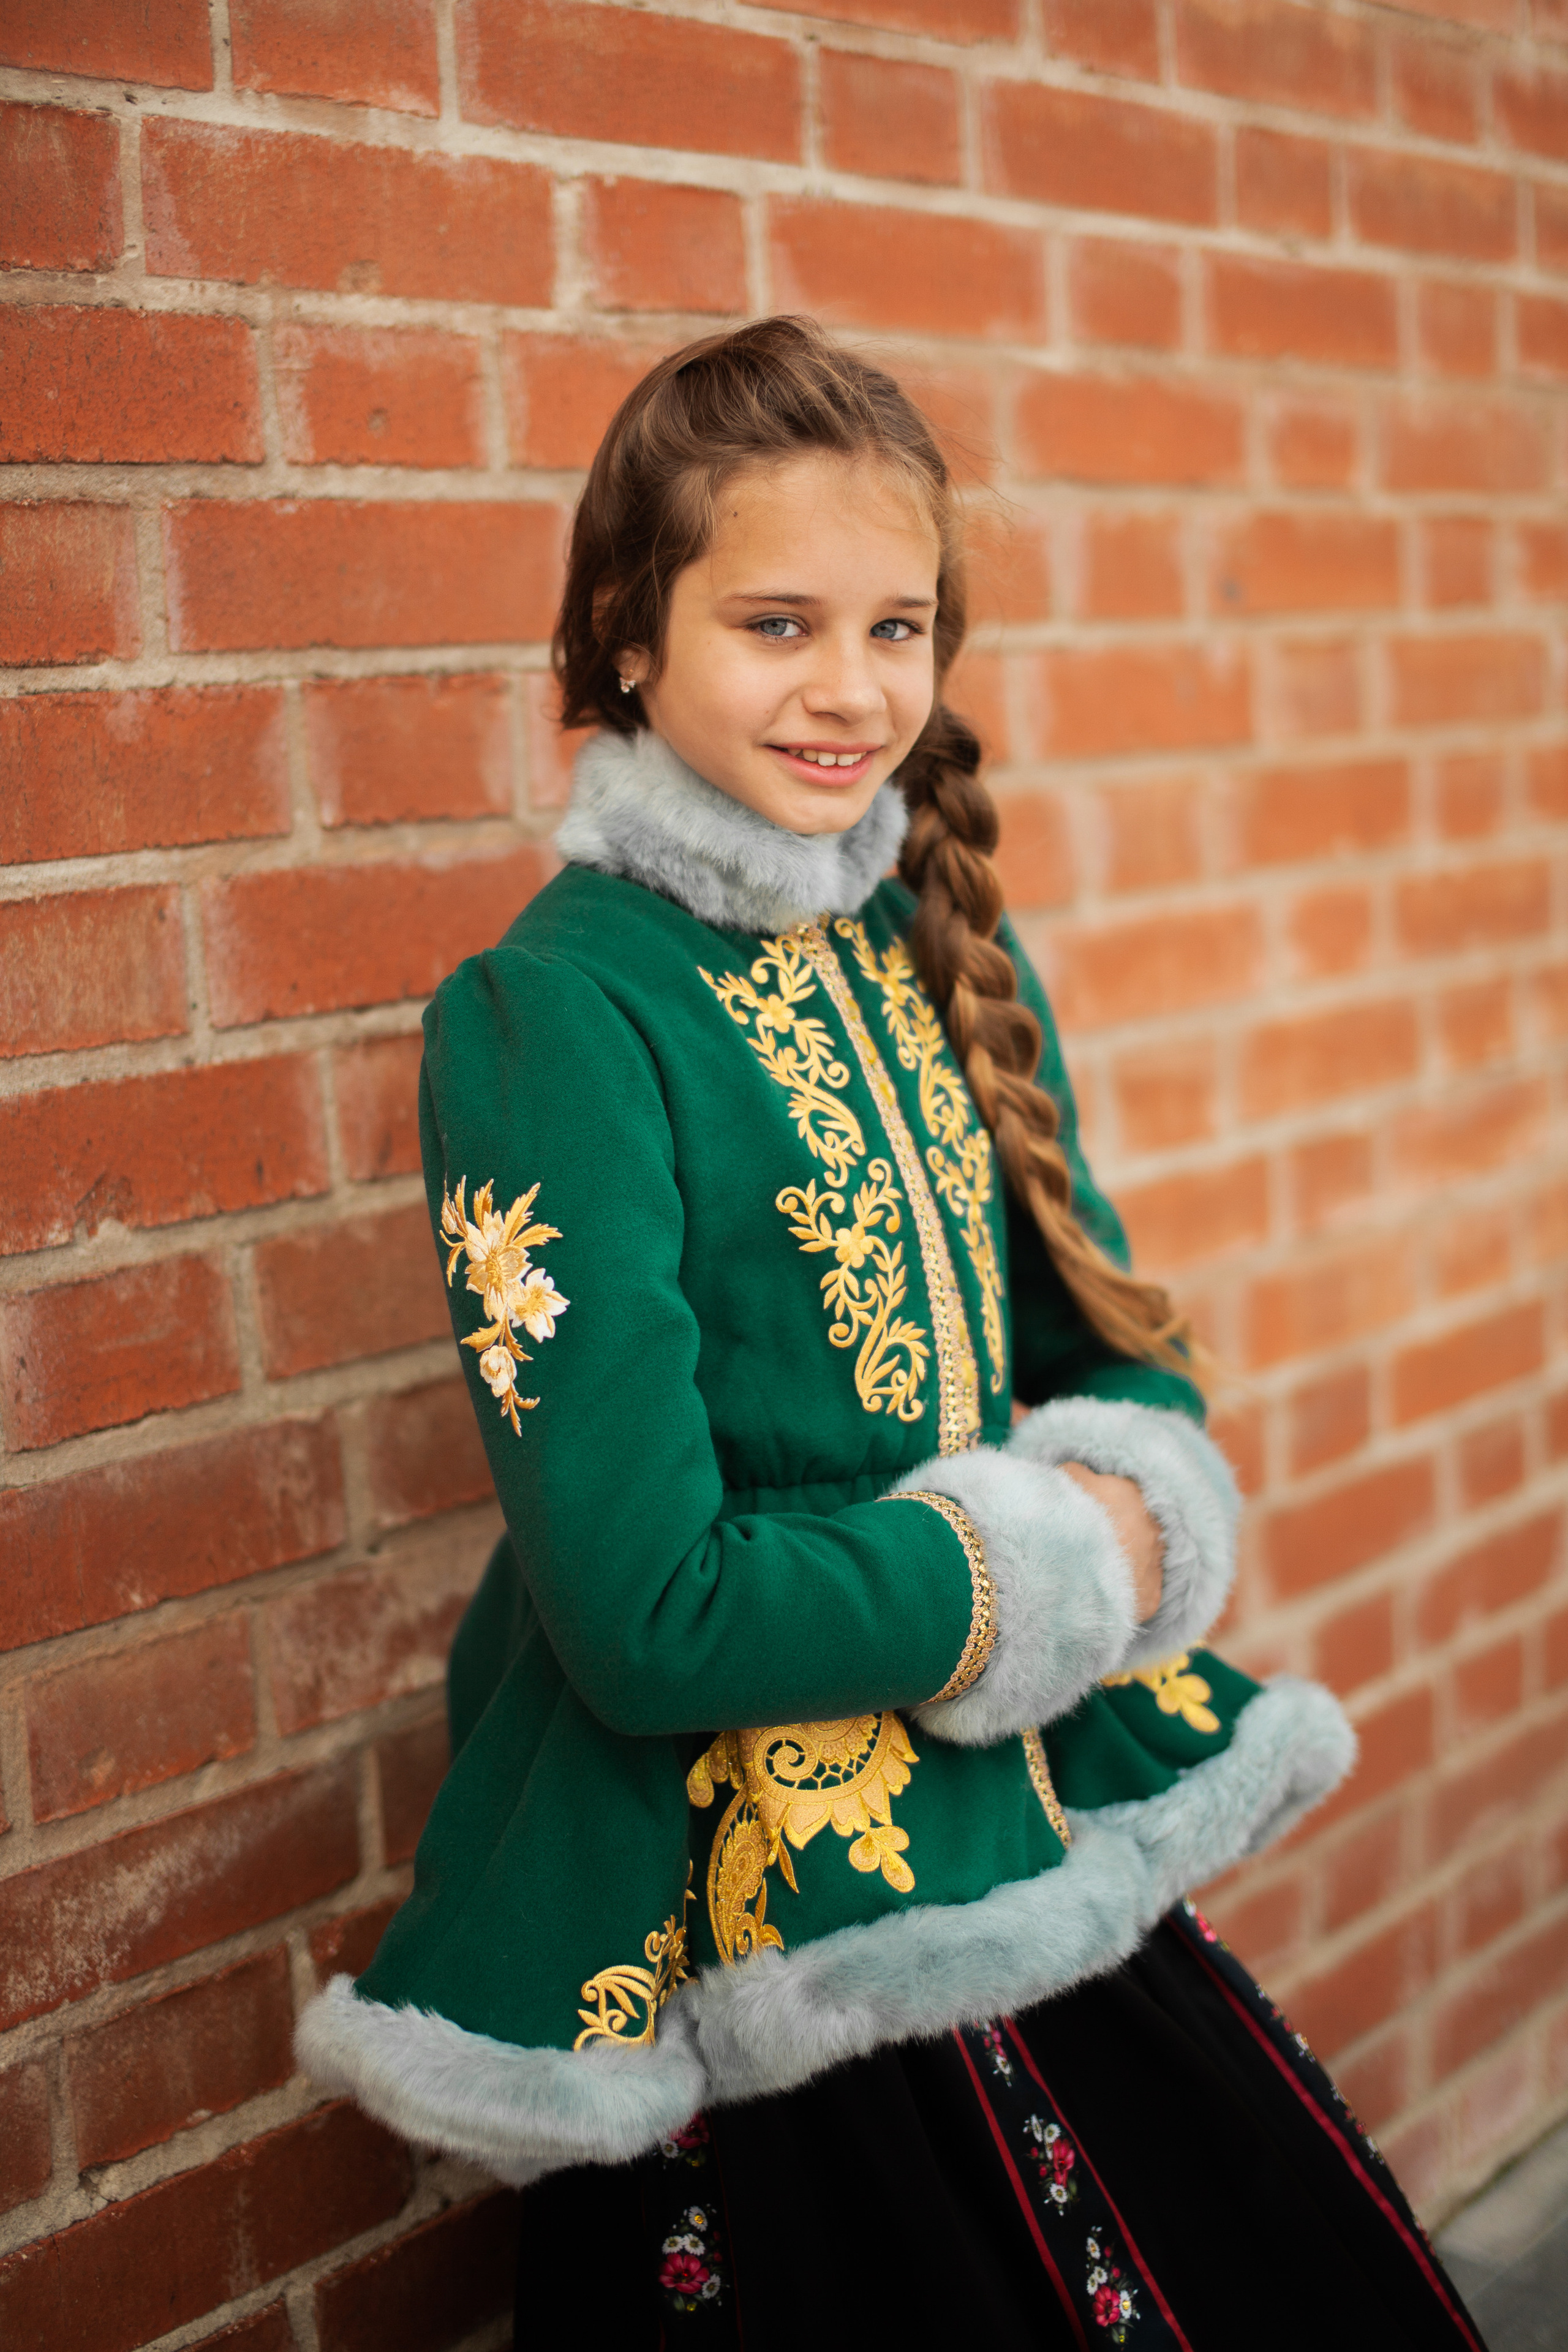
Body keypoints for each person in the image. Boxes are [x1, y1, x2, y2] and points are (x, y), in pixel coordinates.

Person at [298, 317, 1482, 2348]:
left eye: (897, 626)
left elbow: (1123, 1354)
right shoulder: (556, 1012)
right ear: (627, 634)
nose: (850, 689)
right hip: (760, 1915)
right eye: (776, 622)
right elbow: (643, 1607)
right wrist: (1038, 1568)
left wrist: (1136, 1508)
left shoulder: (935, 937)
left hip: (1020, 1817)